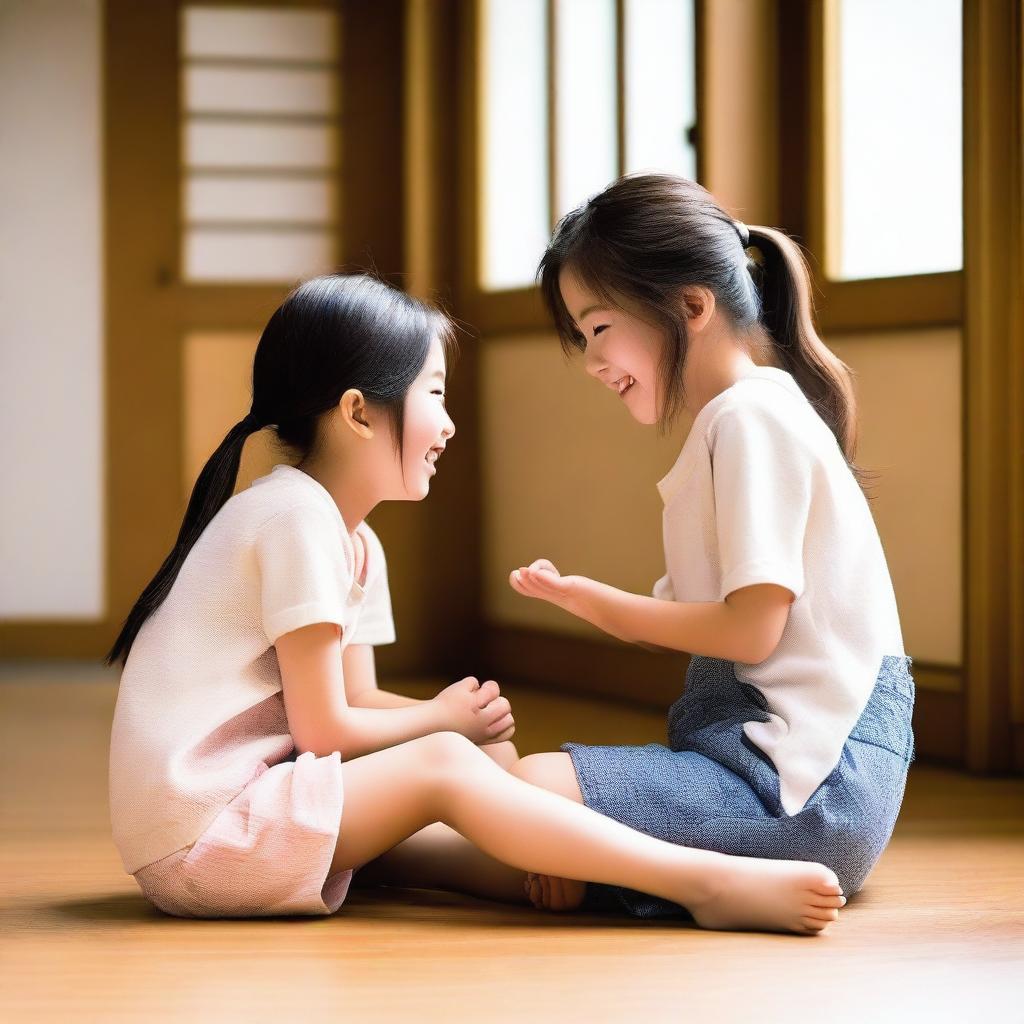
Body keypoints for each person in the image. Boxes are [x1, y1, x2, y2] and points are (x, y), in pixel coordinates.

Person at [106, 271, 844, 935]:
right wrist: (443, 724)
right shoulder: (294, 518)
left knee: (485, 789)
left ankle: (582, 873)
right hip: (206, 836)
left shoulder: (354, 539)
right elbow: (325, 725)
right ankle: (705, 883)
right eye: (433, 394)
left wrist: (469, 742)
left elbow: (358, 698)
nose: (449, 424)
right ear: (359, 412)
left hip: (250, 813)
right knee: (444, 762)